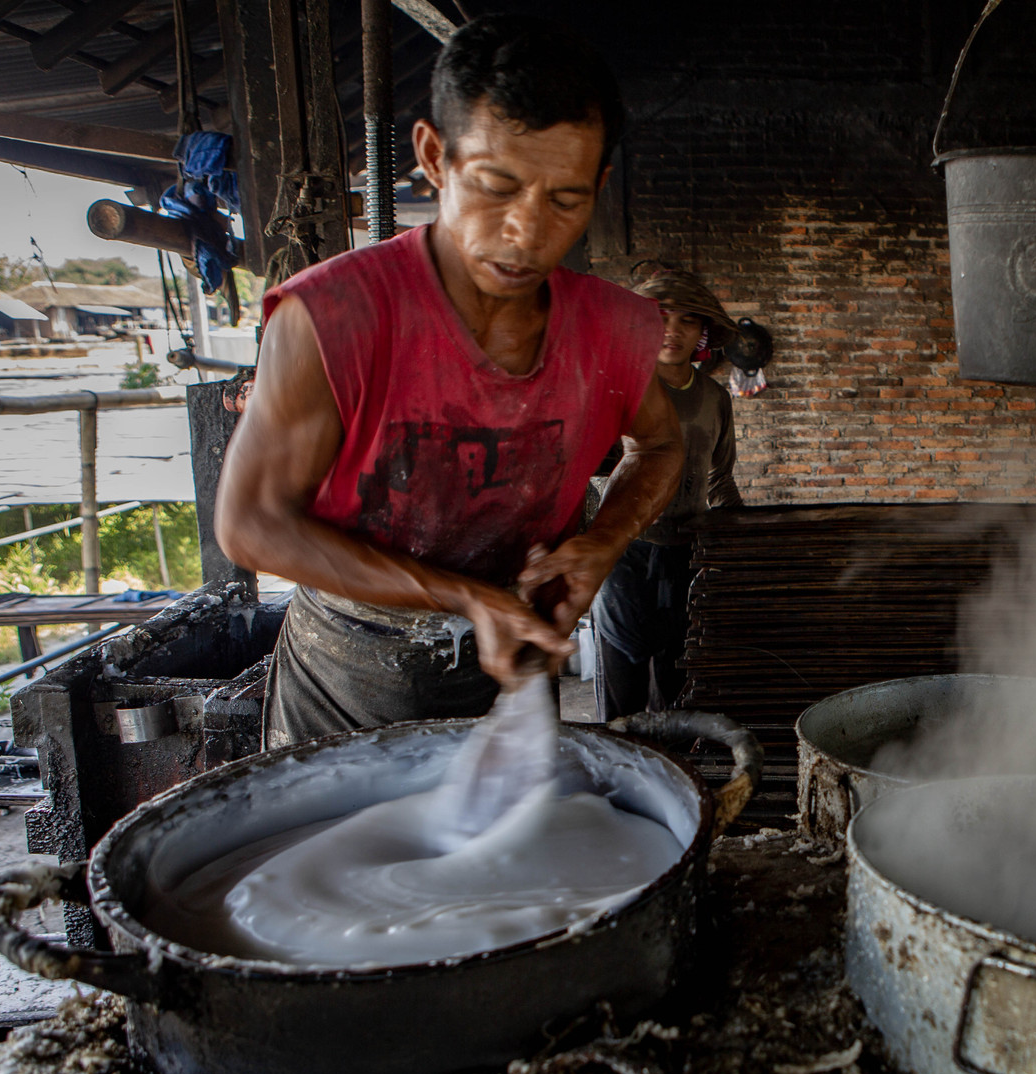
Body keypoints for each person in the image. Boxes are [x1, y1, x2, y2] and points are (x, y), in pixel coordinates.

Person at [214, 16, 684, 748]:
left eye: (565, 200)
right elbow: (250, 523)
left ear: (600, 184)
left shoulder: (613, 330)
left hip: (515, 669)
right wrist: (460, 595)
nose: (526, 232)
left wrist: (602, 542)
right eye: (496, 185)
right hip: (349, 671)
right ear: (435, 156)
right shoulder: (333, 318)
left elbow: (658, 447)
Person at [590, 269, 743, 717]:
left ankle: (676, 775)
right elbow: (590, 471)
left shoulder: (714, 398)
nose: (672, 331)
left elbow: (719, 479)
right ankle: (616, 775)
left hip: (688, 553)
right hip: (625, 549)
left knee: (680, 673)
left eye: (687, 321)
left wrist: (743, 541)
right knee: (623, 676)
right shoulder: (618, 387)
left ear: (702, 334)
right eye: (660, 317)